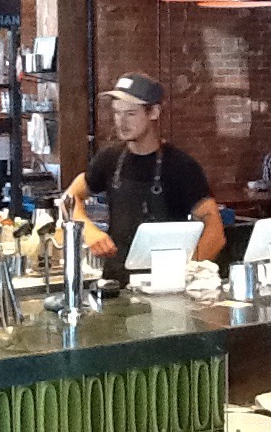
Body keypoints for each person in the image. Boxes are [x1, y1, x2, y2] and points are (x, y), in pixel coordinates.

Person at [66, 72, 225, 283]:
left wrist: (187, 271)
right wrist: (87, 229)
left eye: (131, 113)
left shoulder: (181, 166)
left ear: (154, 112)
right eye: (117, 113)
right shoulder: (108, 158)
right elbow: (69, 198)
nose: (121, 122)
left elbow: (215, 232)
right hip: (115, 284)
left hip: (164, 286)